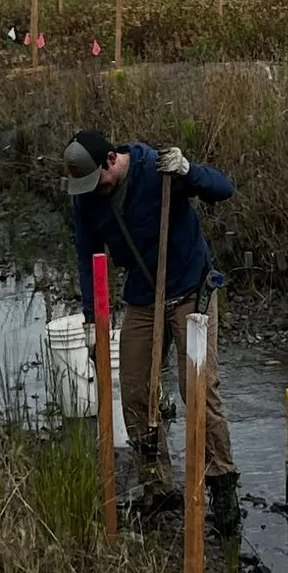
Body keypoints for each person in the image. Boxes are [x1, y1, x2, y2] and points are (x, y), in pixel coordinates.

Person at [63, 128, 240, 531]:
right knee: (136, 391)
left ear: (111, 160)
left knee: (198, 389)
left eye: (98, 180)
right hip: (143, 295)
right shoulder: (87, 197)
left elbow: (222, 189)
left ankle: (222, 483)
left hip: (191, 290)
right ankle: (157, 485)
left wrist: (189, 171)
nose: (93, 190)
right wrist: (93, 319)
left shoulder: (156, 171)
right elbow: (88, 256)